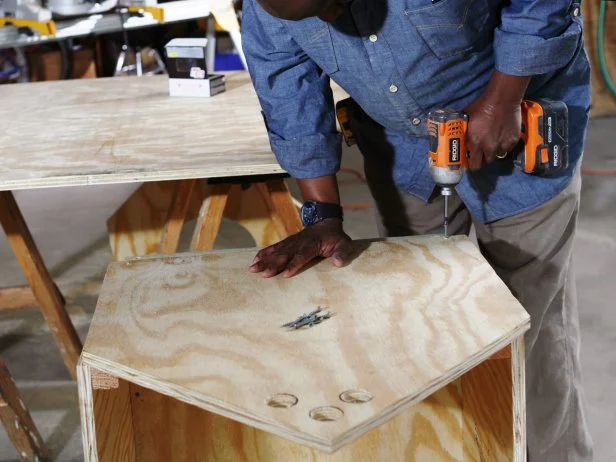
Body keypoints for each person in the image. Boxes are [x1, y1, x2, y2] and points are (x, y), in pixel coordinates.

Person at [240, 0, 593, 460]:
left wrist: (501, 101)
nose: (327, 24)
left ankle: (546, 453)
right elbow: (289, 95)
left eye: (328, 6)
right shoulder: (267, 8)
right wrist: (322, 215)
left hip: (519, 120)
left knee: (523, 330)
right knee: (418, 317)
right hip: (403, 150)